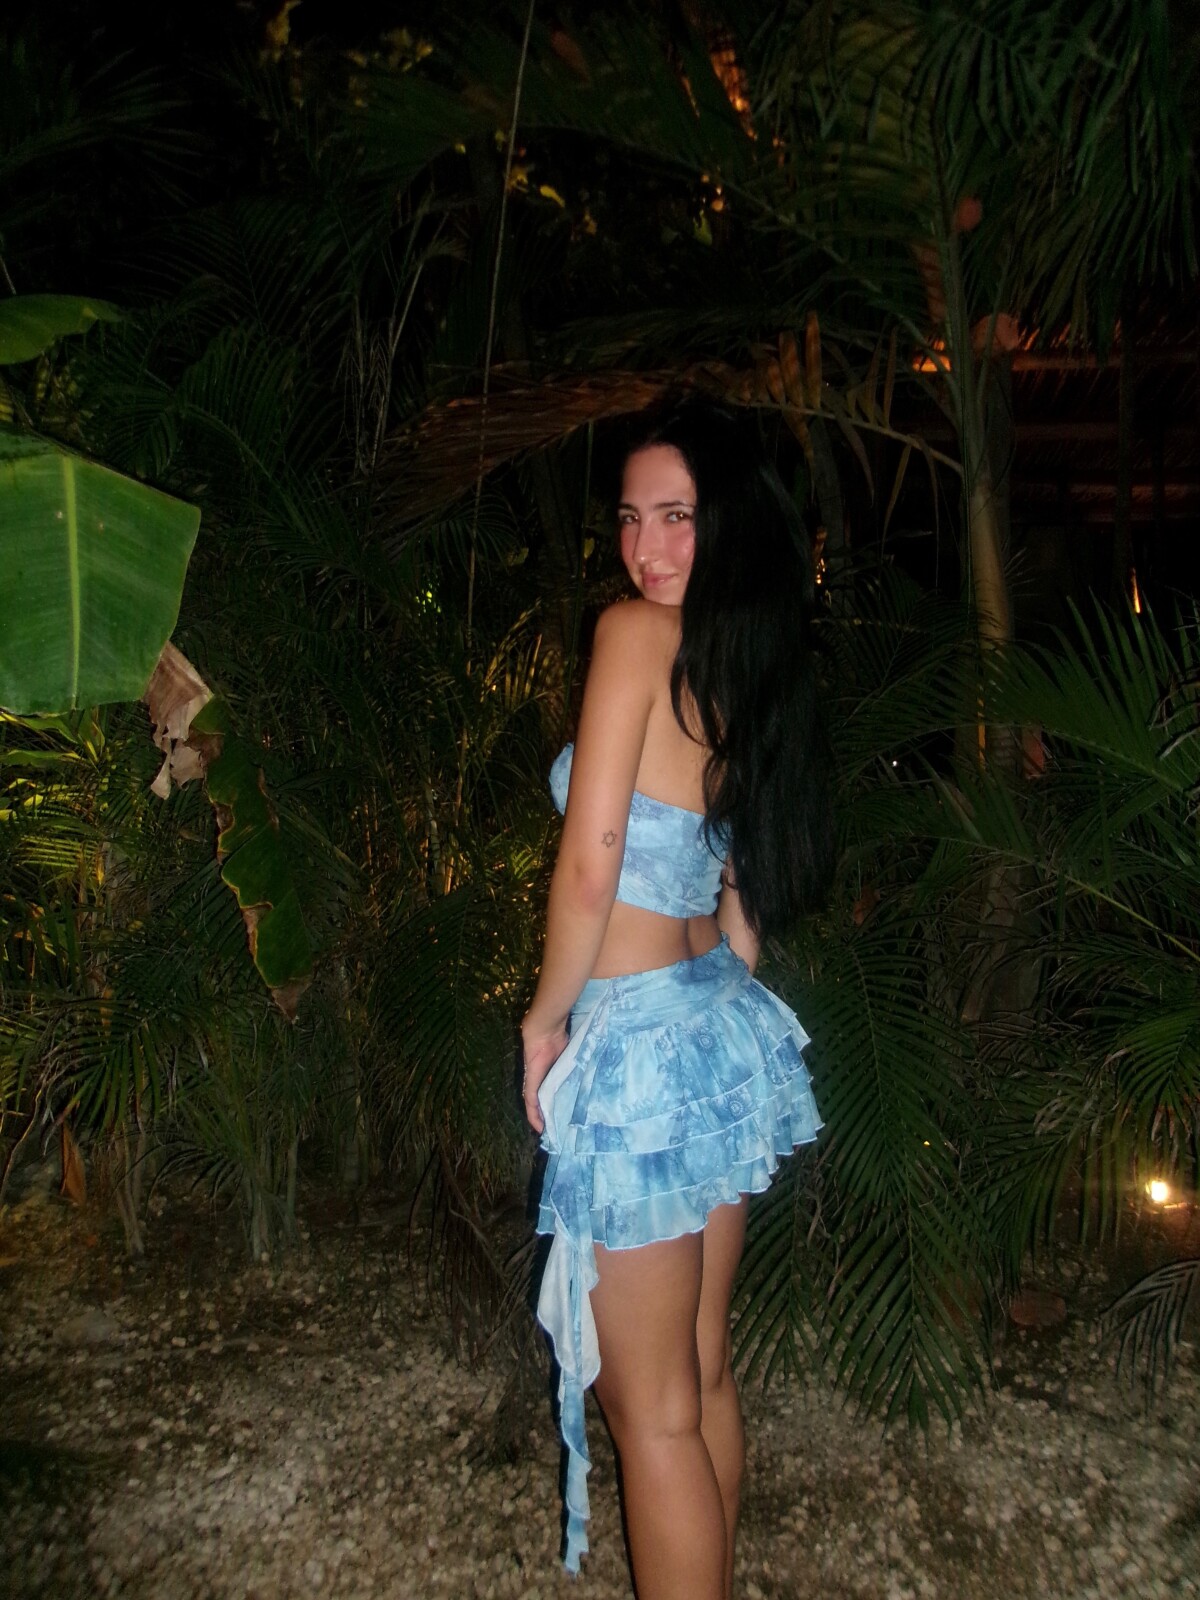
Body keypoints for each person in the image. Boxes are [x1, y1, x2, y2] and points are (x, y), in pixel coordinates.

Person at [520, 399, 834, 1600]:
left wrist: (546, 1022)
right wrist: (722, 994)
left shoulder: (634, 637)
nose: (645, 548)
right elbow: (745, 875)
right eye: (630, 518)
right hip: (712, 1020)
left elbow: (591, 864)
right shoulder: (743, 656)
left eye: (676, 517)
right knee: (698, 1374)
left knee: (651, 1408)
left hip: (643, 1045)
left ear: (727, 522)